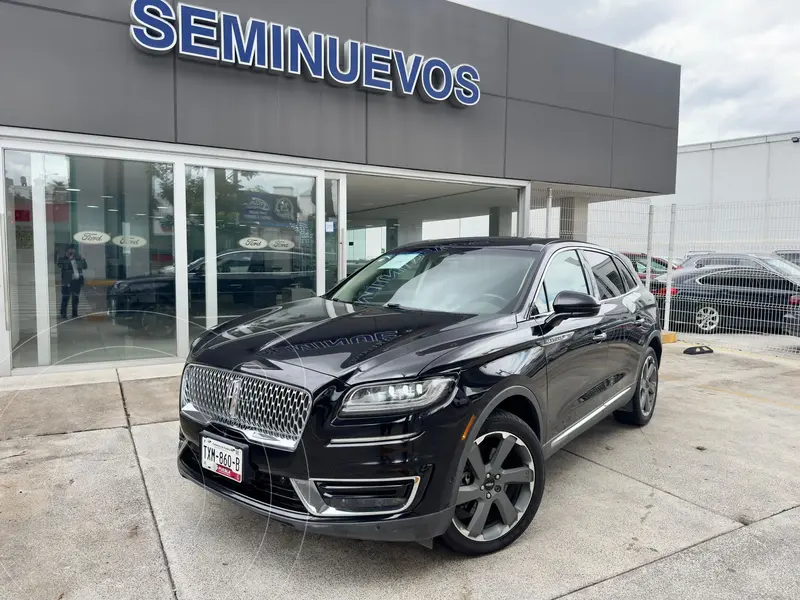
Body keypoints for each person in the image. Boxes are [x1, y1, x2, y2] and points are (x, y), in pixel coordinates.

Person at [57, 245, 87, 319]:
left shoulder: (78, 258)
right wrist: (68, 259)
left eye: (73, 251)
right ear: (66, 251)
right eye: (70, 251)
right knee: (65, 298)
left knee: (75, 298)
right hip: (67, 281)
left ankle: (75, 313)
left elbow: (85, 267)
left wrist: (83, 260)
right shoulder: (62, 259)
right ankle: (63, 314)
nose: (72, 252)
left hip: (76, 281)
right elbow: (60, 265)